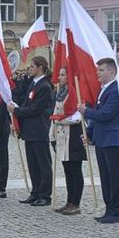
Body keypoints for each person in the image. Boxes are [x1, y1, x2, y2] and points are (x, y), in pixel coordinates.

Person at [83, 58, 119, 223]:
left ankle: (116, 211)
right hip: (102, 139)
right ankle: (109, 208)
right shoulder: (103, 89)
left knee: (114, 176)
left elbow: (106, 114)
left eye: (101, 70)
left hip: (113, 139)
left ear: (111, 71)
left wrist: (85, 111)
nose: (98, 73)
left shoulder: (117, 90)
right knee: (105, 176)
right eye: (98, 70)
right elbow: (98, 115)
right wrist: (89, 132)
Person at [9, 56, 54, 207]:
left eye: (32, 66)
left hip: (39, 130)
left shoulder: (44, 86)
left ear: (41, 67)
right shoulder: (33, 83)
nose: (30, 69)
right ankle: (35, 192)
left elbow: (36, 108)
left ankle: (45, 195)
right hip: (30, 130)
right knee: (33, 164)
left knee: (43, 164)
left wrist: (17, 111)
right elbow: (27, 101)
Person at [51, 71, 86, 215]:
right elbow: (55, 112)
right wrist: (52, 135)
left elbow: (77, 117)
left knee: (75, 170)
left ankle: (76, 203)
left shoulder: (77, 92)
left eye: (63, 75)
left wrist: (59, 120)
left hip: (74, 136)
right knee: (67, 171)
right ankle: (69, 201)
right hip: (62, 136)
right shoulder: (60, 93)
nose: (59, 77)